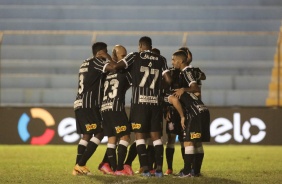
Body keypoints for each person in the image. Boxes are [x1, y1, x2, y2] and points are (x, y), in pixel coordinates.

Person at [100, 36, 172, 177]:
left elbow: (115, 67)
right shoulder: (161, 59)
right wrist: (157, 89)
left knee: (139, 138)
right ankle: (158, 169)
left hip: (139, 104)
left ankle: (145, 169)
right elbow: (168, 80)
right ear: (151, 46)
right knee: (156, 138)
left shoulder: (135, 56)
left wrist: (107, 55)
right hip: (155, 103)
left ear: (140, 46)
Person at [72, 42, 116, 175]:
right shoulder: (97, 62)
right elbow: (113, 67)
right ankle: (80, 164)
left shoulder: (84, 63)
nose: (106, 54)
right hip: (89, 104)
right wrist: (108, 56)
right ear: (100, 52)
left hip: (79, 103)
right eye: (105, 51)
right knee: (100, 132)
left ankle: (78, 168)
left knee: (86, 135)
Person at [172, 50, 209, 178]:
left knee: (188, 141)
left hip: (194, 111)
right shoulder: (191, 71)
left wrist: (184, 89)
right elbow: (203, 76)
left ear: (181, 60)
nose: (172, 62)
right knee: (197, 142)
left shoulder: (186, 72)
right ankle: (196, 171)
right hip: (201, 108)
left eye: (174, 60)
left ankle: (187, 171)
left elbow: (195, 88)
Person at [100, 45, 134, 176]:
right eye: (123, 56)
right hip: (116, 108)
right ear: (115, 57)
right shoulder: (123, 72)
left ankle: (112, 167)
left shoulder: (106, 72)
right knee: (125, 136)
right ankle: (120, 169)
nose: (125, 59)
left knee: (112, 139)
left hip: (105, 108)